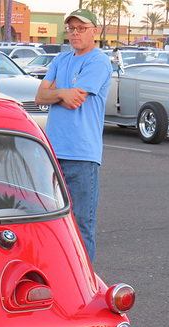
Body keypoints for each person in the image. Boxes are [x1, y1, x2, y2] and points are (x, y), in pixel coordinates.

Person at [35, 9, 112, 263]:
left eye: (81, 28)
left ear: (94, 31)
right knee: (53, 223)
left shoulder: (98, 61)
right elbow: (39, 96)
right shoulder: (61, 60)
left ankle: (84, 287)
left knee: (81, 225)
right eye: (71, 29)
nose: (75, 33)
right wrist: (62, 94)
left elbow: (75, 100)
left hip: (82, 155)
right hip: (54, 154)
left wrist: (57, 92)